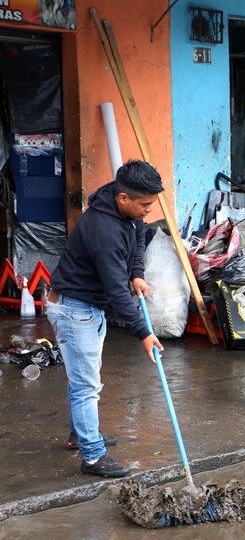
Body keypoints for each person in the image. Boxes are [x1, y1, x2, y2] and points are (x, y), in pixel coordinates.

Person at [47, 160, 165, 478]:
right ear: (123, 198)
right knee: (87, 385)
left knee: (84, 380)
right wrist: (143, 332)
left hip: (86, 307)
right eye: (145, 205)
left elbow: (139, 237)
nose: (148, 211)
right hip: (75, 310)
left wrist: (137, 273)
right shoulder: (105, 232)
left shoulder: (126, 210)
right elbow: (116, 293)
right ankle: (93, 456)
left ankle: (80, 434)